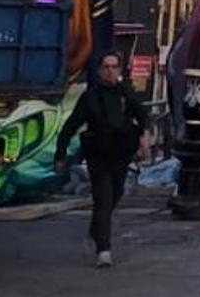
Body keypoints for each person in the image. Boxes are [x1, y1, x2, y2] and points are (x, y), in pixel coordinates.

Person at [55, 51, 149, 265]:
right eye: (106, 67)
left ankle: (96, 230)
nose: (110, 71)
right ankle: (103, 250)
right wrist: (60, 155)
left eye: (114, 66)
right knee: (103, 200)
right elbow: (69, 127)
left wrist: (144, 137)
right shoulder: (90, 98)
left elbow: (142, 116)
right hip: (99, 156)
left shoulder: (126, 94)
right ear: (99, 71)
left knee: (116, 193)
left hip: (121, 155)